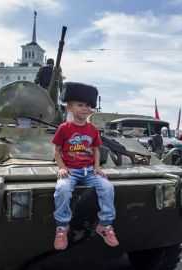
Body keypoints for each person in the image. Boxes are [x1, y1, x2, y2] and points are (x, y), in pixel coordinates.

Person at [52, 82, 119, 250]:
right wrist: (61, 167)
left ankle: (105, 224)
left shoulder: (92, 129)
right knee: (63, 189)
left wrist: (97, 167)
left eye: (88, 105)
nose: (84, 108)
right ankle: (62, 226)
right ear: (69, 107)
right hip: (71, 171)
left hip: (89, 171)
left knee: (107, 187)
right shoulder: (64, 128)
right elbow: (56, 150)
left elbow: (96, 149)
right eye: (80, 105)